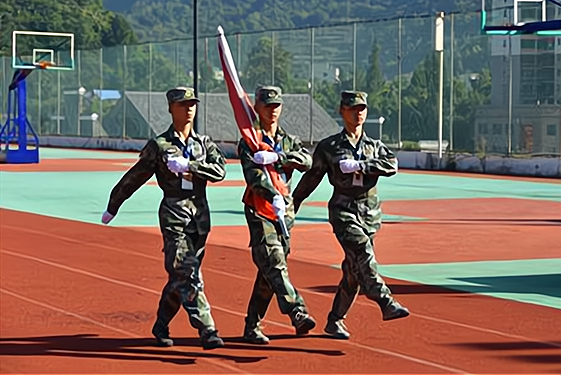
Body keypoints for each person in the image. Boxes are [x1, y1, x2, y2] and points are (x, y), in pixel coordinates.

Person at [101, 86, 226, 350]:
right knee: (188, 272)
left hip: (200, 217)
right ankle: (207, 329)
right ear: (171, 108)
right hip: (174, 215)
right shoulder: (160, 145)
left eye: (192, 103)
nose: (189, 108)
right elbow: (135, 177)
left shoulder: (204, 143)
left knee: (180, 277)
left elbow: (219, 171)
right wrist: (114, 204)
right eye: (182, 104)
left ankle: (160, 324)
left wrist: (191, 166)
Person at [292, 90, 410, 340]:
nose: (358, 114)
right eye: (352, 109)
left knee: (354, 270)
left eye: (362, 109)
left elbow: (392, 165)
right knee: (362, 252)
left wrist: (362, 165)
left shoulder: (374, 146)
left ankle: (335, 320)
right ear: (342, 111)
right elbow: (312, 177)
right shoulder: (329, 147)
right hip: (343, 210)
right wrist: (294, 202)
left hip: (370, 212)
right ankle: (385, 301)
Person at [238, 85, 317, 344]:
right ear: (257, 108)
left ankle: (252, 325)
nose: (272, 111)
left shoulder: (288, 140)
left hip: (285, 212)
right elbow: (254, 177)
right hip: (260, 209)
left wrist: (277, 157)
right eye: (267, 106)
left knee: (269, 273)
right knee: (274, 262)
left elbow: (306, 161)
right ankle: (297, 311)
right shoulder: (249, 141)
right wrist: (271, 194)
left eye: (276, 106)